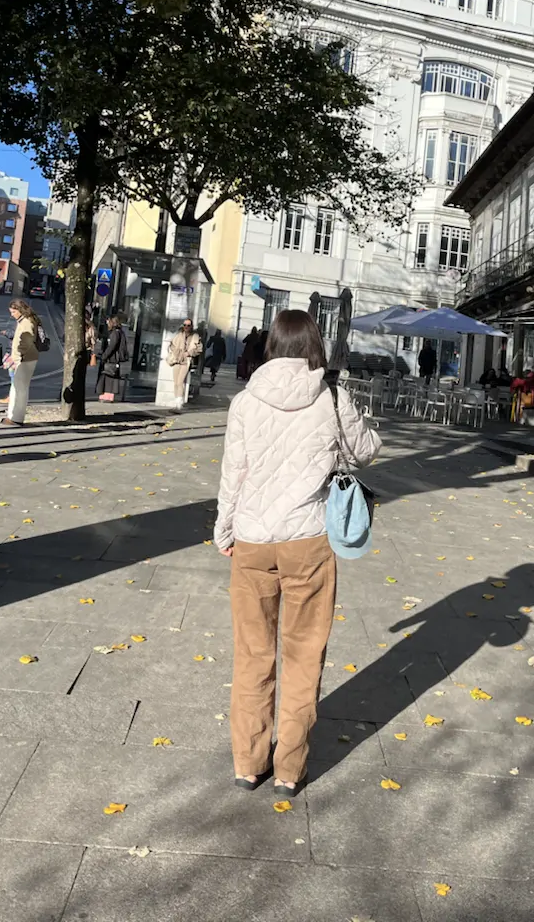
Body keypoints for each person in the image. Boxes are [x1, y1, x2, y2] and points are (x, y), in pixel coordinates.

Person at [214, 309, 380, 796]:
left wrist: (225, 530)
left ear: (271, 346)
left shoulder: (244, 403)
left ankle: (248, 762)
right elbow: (366, 449)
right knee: (304, 655)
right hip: (308, 541)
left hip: (253, 540)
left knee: (251, 654)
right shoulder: (331, 397)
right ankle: (289, 768)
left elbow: (233, 474)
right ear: (314, 347)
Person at [4, 299, 40, 426]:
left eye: (13, 312)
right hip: (27, 357)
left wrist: (17, 357)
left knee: (19, 388)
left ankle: (15, 417)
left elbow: (26, 340)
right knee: (19, 387)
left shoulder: (26, 322)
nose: (12, 315)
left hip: (25, 359)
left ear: (20, 310)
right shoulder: (27, 320)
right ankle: (14, 416)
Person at [166, 318, 203, 409]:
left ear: (191, 326)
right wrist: (175, 351)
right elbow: (171, 345)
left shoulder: (195, 336)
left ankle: (179, 403)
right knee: (176, 382)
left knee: (180, 381)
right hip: (177, 359)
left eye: (188, 325)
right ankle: (177, 401)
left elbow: (199, 349)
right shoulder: (179, 334)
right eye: (185, 325)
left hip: (186, 361)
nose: (186, 327)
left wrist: (189, 353)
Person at [97, 315, 129, 400]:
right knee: (110, 375)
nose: (107, 322)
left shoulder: (115, 333)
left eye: (108, 320)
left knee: (108, 375)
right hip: (113, 359)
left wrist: (104, 356)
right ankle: (108, 395)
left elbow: (112, 346)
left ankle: (107, 395)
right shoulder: (119, 332)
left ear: (112, 322)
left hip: (112, 359)